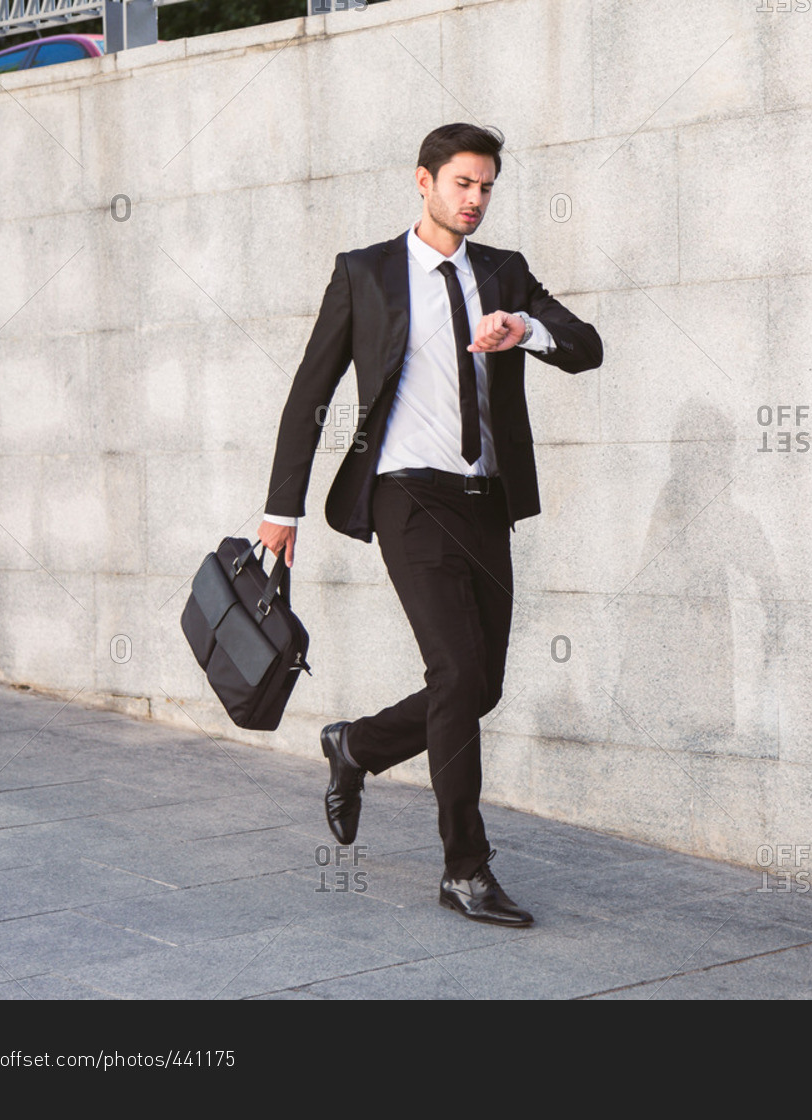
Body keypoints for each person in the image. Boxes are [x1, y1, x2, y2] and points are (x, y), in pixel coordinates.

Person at [257, 123, 603, 926]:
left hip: (484, 497)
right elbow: (310, 391)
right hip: (405, 493)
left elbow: (587, 347)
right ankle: (465, 868)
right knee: (455, 673)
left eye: (487, 187)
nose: (476, 201)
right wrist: (283, 509)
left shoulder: (505, 274)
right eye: (462, 184)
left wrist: (529, 332)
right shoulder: (367, 273)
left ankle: (357, 747)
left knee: (480, 689)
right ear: (424, 182)